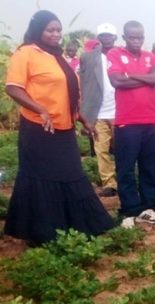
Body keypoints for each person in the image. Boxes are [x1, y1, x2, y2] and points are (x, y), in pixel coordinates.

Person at [4, 10, 113, 244]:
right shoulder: (26, 53)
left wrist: (82, 117)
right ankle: (42, 232)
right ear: (38, 30)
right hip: (39, 128)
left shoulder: (57, 55)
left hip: (63, 127)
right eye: (50, 30)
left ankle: (71, 226)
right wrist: (40, 109)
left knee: (70, 173)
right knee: (42, 178)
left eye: (58, 30)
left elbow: (66, 93)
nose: (56, 35)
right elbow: (13, 87)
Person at [107, 20, 155, 229]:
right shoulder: (115, 55)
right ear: (124, 37)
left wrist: (132, 76)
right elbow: (118, 82)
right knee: (125, 168)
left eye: (140, 37)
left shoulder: (149, 56)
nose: (137, 41)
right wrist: (148, 78)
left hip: (151, 121)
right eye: (132, 37)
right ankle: (128, 210)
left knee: (148, 167)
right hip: (127, 122)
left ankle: (147, 207)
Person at [79, 22, 119, 198]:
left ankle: (125, 179)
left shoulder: (122, 55)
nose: (106, 39)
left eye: (109, 36)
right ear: (99, 38)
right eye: (103, 36)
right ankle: (109, 183)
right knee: (101, 149)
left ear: (115, 38)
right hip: (99, 111)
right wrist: (85, 112)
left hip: (120, 110)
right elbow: (84, 85)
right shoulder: (88, 57)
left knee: (123, 148)